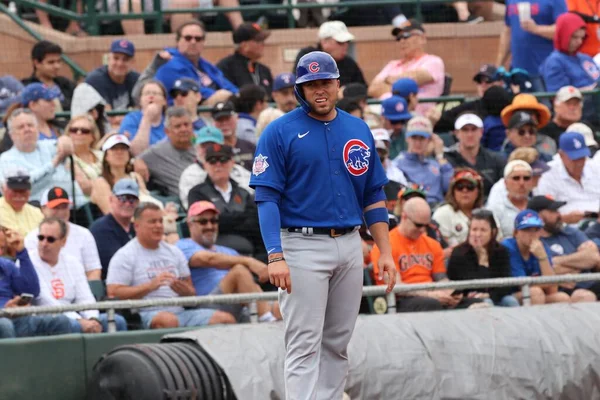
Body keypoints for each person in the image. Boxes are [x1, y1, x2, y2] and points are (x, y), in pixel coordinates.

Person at [250, 51, 396, 400]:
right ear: (299, 89)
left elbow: (373, 195)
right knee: (304, 344)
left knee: (337, 344)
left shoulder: (357, 127)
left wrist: (385, 251)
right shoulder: (279, 131)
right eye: (310, 84)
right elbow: (265, 198)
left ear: (337, 85)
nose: (319, 90)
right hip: (301, 245)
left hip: (348, 243)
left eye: (325, 82)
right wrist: (275, 255)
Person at [106, 202, 236, 329]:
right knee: (168, 321)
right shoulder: (125, 255)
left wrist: (183, 290)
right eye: (152, 222)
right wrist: (149, 286)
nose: (158, 226)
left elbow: (192, 293)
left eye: (160, 221)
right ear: (137, 226)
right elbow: (113, 293)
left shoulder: (174, 251)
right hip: (146, 314)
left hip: (181, 312)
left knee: (226, 319)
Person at [372, 197, 482, 311]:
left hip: (431, 295)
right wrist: (430, 294)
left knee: (478, 304)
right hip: (399, 299)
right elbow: (395, 285)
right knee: (432, 304)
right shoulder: (384, 245)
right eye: (418, 225)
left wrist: (451, 293)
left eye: (426, 225)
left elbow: (441, 278)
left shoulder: (432, 244)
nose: (422, 229)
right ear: (404, 217)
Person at [176, 201, 279, 322]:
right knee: (239, 271)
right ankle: (266, 319)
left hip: (237, 303)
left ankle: (269, 318)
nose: (209, 226)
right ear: (190, 224)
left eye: (214, 221)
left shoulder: (229, 251)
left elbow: (248, 284)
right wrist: (249, 261)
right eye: (203, 222)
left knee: (280, 307)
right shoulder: (182, 245)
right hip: (207, 304)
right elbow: (207, 259)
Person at [31, 217, 127, 333]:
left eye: (50, 239)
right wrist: (79, 320)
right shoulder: (29, 261)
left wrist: (93, 319)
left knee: (117, 321)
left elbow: (85, 297)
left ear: (63, 241)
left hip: (72, 314)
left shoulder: (72, 262)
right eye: (41, 238)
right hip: (45, 317)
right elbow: (45, 301)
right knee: (67, 324)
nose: (44, 243)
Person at [188, 143, 263, 258]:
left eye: (223, 160)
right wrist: (241, 217)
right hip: (213, 250)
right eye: (212, 161)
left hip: (249, 247)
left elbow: (254, 224)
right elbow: (204, 223)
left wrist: (224, 219)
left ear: (232, 163)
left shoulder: (243, 193)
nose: (218, 164)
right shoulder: (197, 193)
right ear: (205, 165)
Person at [0, 109, 84, 205]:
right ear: (11, 135)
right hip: (37, 211)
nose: (27, 129)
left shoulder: (52, 146)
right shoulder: (6, 159)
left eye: (30, 125)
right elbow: (22, 187)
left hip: (75, 207)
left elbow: (67, 143)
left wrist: (65, 140)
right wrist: (54, 163)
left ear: (37, 129)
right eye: (21, 127)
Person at [0, 227, 72, 339]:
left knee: (60, 321)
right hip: (3, 321)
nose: (0, 252)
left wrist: (21, 252)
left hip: (16, 319)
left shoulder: (6, 265)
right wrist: (3, 310)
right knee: (4, 325)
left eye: (2, 248)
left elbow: (31, 291)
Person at [528, 195, 600, 301]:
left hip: (591, 282)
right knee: (583, 296)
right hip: (565, 288)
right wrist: (580, 262)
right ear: (539, 216)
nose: (559, 215)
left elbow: (593, 257)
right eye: (553, 211)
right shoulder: (534, 242)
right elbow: (547, 271)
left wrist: (558, 261)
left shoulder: (569, 232)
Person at [369, 19, 445, 115]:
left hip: (418, 116)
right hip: (386, 116)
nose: (402, 41)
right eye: (399, 38)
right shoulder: (392, 64)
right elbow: (372, 89)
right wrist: (402, 86)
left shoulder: (433, 61)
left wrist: (388, 82)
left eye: (406, 36)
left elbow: (419, 76)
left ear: (422, 38)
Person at [24, 187, 102, 280]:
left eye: (64, 207)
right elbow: (32, 273)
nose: (61, 212)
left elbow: (93, 270)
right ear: (43, 209)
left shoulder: (84, 234)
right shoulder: (33, 238)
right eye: (55, 207)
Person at [154, 21, 238, 106]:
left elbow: (226, 84)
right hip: (186, 111)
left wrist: (236, 95)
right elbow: (190, 91)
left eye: (198, 39)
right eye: (188, 38)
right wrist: (223, 95)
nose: (193, 42)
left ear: (203, 43)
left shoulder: (206, 65)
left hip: (217, 107)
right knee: (223, 96)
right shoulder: (168, 64)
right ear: (178, 41)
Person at [447, 209, 519, 307]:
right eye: (474, 229)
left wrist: (490, 294)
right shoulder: (459, 253)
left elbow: (507, 284)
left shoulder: (501, 251)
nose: (477, 234)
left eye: (483, 230)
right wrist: (482, 261)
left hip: (495, 296)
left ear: (493, 232)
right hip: (468, 299)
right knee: (486, 303)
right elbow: (467, 285)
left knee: (510, 301)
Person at [501, 210, 572, 304]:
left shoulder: (541, 247)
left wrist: (542, 257)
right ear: (516, 232)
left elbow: (552, 289)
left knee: (562, 298)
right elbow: (523, 285)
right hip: (509, 297)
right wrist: (547, 283)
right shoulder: (507, 247)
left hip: (537, 294)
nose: (532, 234)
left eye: (536, 230)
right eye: (526, 229)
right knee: (535, 293)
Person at [496, 0, 566, 92]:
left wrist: (537, 29)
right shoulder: (511, 1)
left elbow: (564, 31)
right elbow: (508, 30)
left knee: (545, 105)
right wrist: (498, 65)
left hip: (546, 72)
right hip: (517, 72)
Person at [179, 126, 252, 210]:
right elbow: (190, 206)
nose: (208, 150)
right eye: (204, 146)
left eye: (212, 145)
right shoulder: (189, 174)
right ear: (197, 148)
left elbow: (251, 196)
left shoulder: (239, 171)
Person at [90, 134, 160, 215]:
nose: (119, 152)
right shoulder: (100, 182)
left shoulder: (135, 177)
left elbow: (147, 199)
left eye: (123, 149)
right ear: (106, 156)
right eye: (114, 149)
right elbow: (110, 211)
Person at [137, 106, 197, 198]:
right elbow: (131, 160)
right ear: (167, 131)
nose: (183, 129)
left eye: (186, 125)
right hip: (181, 202)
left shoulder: (203, 145)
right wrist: (136, 161)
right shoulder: (156, 152)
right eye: (178, 126)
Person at [393, 116, 454, 205]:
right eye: (414, 137)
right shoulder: (397, 164)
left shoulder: (436, 164)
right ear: (407, 138)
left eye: (422, 138)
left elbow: (450, 188)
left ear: (429, 140)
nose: (418, 142)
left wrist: (440, 156)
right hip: (414, 208)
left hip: (439, 209)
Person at [537, 132, 600, 215]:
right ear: (561, 155)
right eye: (574, 158)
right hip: (566, 223)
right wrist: (562, 218)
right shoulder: (548, 173)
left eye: (582, 157)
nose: (579, 163)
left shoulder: (595, 168)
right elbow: (544, 210)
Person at [444, 112, 505, 197]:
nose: (470, 134)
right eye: (465, 130)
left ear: (481, 132)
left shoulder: (496, 159)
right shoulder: (447, 159)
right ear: (456, 133)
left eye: (474, 129)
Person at [90, 178, 139, 280]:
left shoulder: (137, 228)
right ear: (111, 199)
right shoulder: (100, 229)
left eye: (132, 199)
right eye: (122, 198)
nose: (127, 203)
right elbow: (115, 265)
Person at [292, 21, 366, 88]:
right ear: (324, 42)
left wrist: (347, 92)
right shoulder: (307, 57)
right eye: (340, 42)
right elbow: (298, 84)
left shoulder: (349, 63)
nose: (345, 46)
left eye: (347, 42)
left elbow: (363, 88)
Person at [539, 13, 600, 93]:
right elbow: (558, 96)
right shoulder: (554, 62)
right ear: (563, 35)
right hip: (579, 103)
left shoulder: (585, 58)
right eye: (575, 37)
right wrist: (592, 90)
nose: (579, 41)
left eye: (582, 37)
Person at [432, 168, 486, 248]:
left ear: (478, 191)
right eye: (459, 187)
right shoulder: (442, 213)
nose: (464, 190)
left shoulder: (486, 213)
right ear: (453, 191)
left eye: (470, 187)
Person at [85, 39, 140, 114]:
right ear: (108, 58)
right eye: (116, 58)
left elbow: (140, 110)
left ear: (133, 62)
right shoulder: (96, 79)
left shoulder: (136, 79)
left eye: (125, 59)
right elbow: (107, 116)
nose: (120, 63)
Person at [216, 23, 273, 95]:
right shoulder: (226, 67)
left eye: (263, 40)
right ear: (244, 45)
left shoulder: (264, 70)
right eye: (258, 40)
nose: (263, 44)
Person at [22, 40, 75, 111]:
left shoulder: (66, 84)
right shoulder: (26, 86)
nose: (57, 66)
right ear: (36, 63)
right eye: (51, 62)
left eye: (59, 61)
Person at [118, 79, 168, 155]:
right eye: (147, 93)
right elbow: (137, 152)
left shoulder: (170, 121)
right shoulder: (131, 119)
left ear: (164, 100)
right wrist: (147, 118)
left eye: (155, 93)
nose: (151, 96)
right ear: (140, 100)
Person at [487, 160, 535, 238]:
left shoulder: (537, 206)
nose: (521, 183)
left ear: (531, 182)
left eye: (526, 178)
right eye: (516, 178)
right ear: (505, 183)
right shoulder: (495, 209)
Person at [63, 114, 103, 198]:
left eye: (84, 131)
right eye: (74, 130)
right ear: (68, 134)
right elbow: (83, 186)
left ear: (93, 136)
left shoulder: (102, 155)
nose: (78, 133)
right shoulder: (66, 158)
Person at [211, 101, 256, 171]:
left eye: (227, 119)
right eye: (220, 120)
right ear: (213, 123)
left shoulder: (250, 147)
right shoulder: (212, 151)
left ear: (236, 118)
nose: (224, 123)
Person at [0, 168, 43, 237]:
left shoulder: (37, 213)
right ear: (3, 189)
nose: (19, 195)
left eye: (23, 190)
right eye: (15, 190)